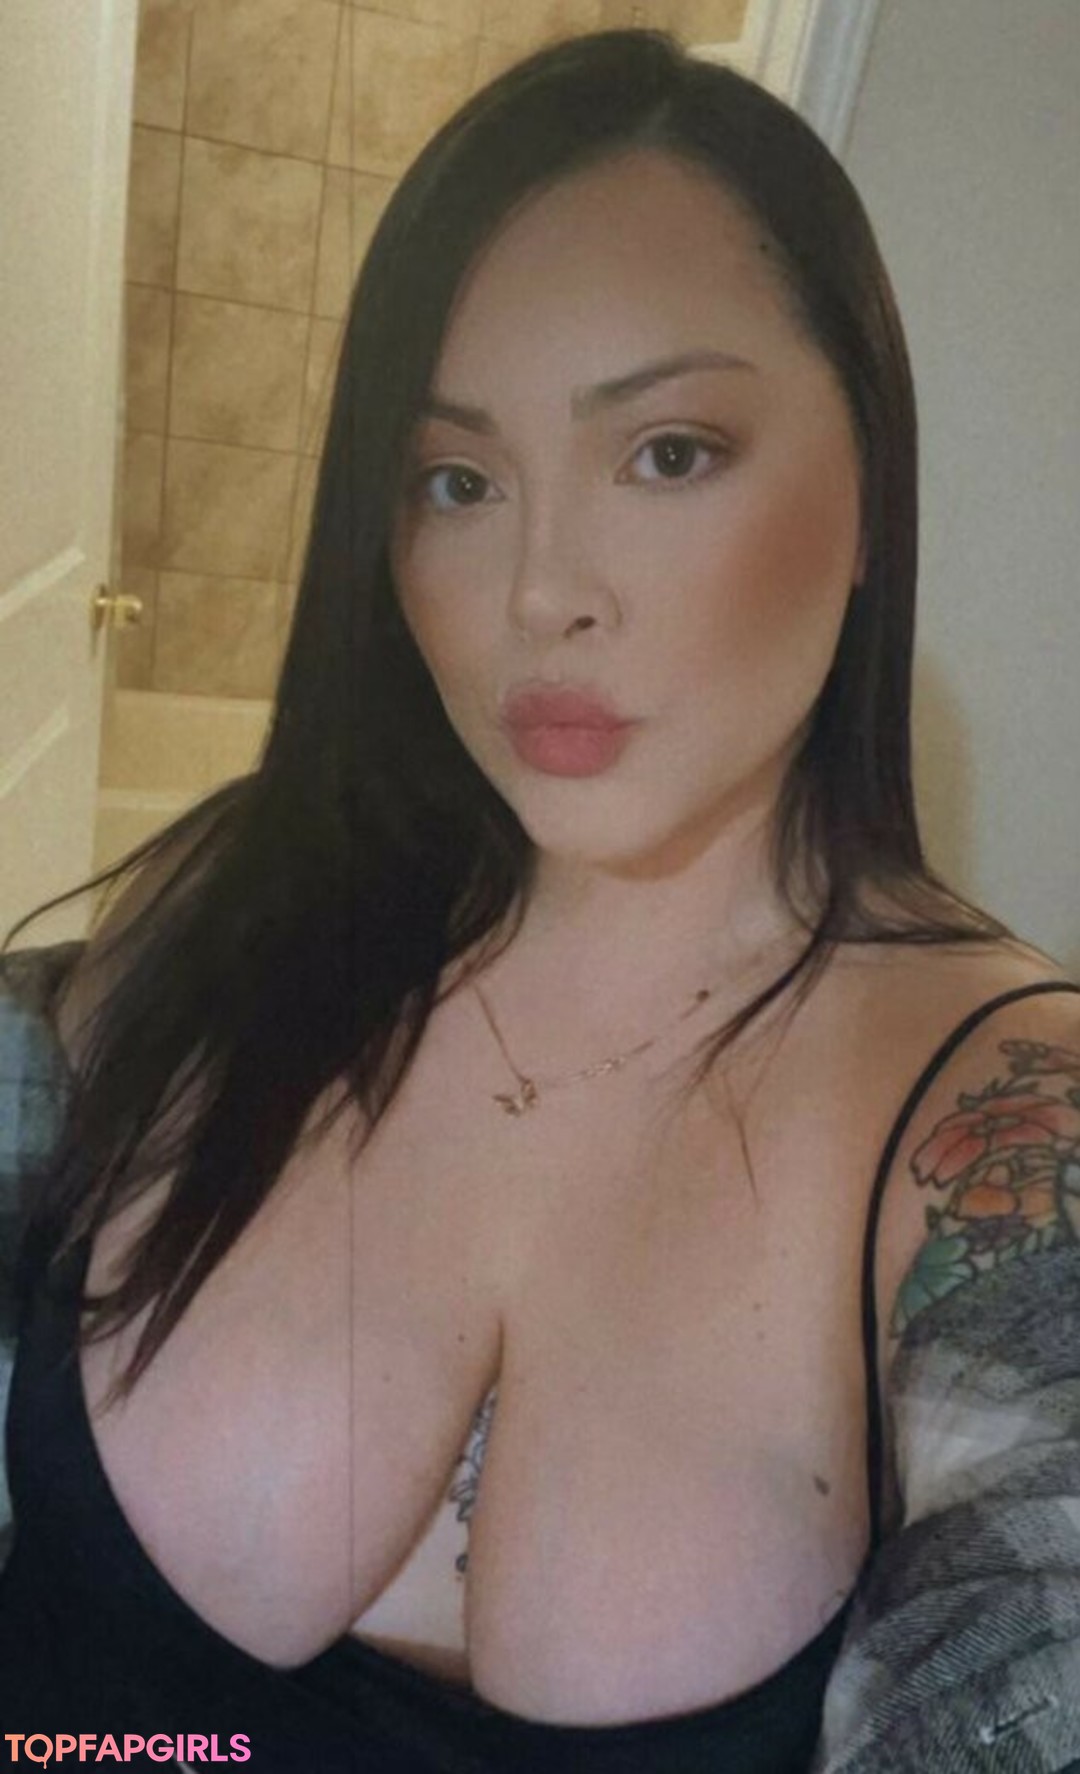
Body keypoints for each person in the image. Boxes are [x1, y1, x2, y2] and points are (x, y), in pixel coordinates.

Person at [1, 26, 1078, 1773]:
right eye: (459, 481)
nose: (539, 590)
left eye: (668, 453)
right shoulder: (243, 895)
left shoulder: (1004, 1112)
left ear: (873, 489)